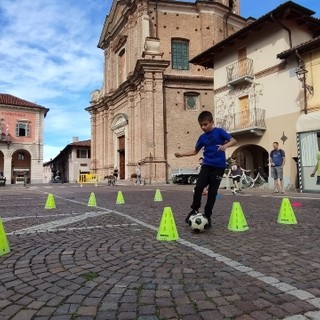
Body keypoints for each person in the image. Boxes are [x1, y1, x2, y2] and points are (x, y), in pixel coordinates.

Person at [175, 110, 237, 229]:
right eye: (201, 125)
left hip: (219, 167)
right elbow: (195, 151)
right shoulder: (202, 137)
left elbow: (234, 140)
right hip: (207, 166)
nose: (203, 127)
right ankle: (194, 209)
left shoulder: (219, 132)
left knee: (212, 192)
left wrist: (225, 146)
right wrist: (181, 154)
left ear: (211, 122)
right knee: (198, 188)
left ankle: (207, 215)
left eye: (205, 124)